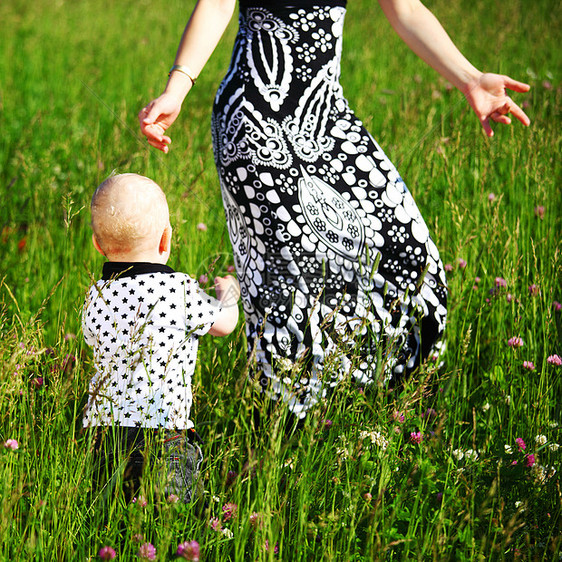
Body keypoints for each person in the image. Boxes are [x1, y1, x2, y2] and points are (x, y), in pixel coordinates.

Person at [139, 0, 530, 419]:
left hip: (327, 116)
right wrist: (177, 89)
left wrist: (470, 79)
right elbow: (216, 4)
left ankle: (378, 415)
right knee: (285, 292)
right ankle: (275, 440)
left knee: (413, 258)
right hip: (254, 122)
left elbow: (407, 11)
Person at [82, 172, 240, 503]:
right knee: (174, 516)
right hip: (165, 432)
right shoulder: (177, 288)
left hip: (102, 433)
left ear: (98, 245)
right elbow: (224, 324)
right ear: (165, 240)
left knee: (111, 514)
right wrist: (228, 295)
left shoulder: (95, 296)